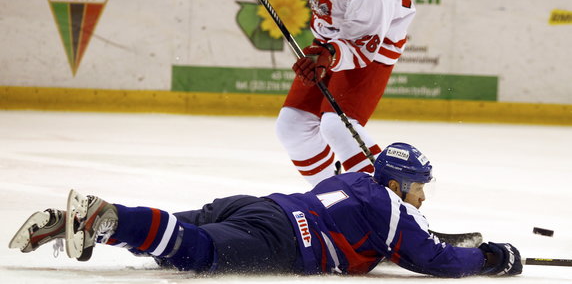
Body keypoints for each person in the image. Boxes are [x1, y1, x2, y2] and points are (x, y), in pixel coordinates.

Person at [9, 142, 522, 277]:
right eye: (418, 186)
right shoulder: (395, 209)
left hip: (256, 206)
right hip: (282, 239)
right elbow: (432, 260)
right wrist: (492, 259)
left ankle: (90, 220)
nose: (423, 196)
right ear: (398, 182)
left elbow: (383, 240)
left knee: (176, 234)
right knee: (197, 254)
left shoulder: (353, 179)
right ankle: (105, 219)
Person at [229, 0, 416, 185]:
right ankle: (333, 200)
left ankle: (390, 210)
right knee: (292, 127)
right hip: (332, 34)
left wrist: (327, 55)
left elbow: (362, 47)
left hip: (376, 38)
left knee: (338, 126)